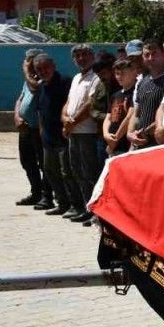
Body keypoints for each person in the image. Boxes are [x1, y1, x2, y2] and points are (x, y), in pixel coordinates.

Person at [62, 44, 103, 224]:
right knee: (77, 171)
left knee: (90, 173)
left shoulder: (96, 77)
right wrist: (65, 118)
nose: (81, 58)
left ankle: (95, 212)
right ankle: (85, 208)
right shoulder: (76, 78)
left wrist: (71, 123)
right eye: (77, 55)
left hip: (87, 132)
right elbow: (69, 102)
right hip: (73, 132)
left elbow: (90, 104)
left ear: (92, 56)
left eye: (85, 54)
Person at [32, 54, 76, 220]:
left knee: (67, 173)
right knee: (50, 171)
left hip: (64, 136)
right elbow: (40, 111)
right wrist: (41, 131)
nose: (43, 71)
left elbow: (71, 106)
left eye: (46, 67)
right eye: (39, 69)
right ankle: (62, 203)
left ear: (53, 65)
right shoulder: (41, 86)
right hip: (48, 138)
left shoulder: (66, 82)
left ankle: (74, 205)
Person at [14, 50, 49, 206]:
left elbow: (35, 88)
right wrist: (17, 116)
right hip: (25, 128)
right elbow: (20, 99)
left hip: (38, 129)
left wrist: (26, 71)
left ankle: (47, 195)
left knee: (44, 163)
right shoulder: (27, 80)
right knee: (27, 161)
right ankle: (36, 192)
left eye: (30, 61)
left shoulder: (42, 78)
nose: (28, 63)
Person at [126, 40, 164, 151]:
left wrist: (146, 131)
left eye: (154, 54)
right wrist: (130, 134)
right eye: (147, 55)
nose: (151, 58)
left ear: (163, 55)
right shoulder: (142, 82)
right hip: (140, 144)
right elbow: (136, 114)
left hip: (162, 144)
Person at [103, 58, 138, 156]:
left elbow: (129, 117)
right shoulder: (115, 95)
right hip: (112, 144)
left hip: (125, 145)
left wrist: (115, 140)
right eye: (117, 74)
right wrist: (106, 134)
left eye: (123, 73)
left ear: (134, 72)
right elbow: (108, 117)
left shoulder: (136, 92)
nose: (119, 77)